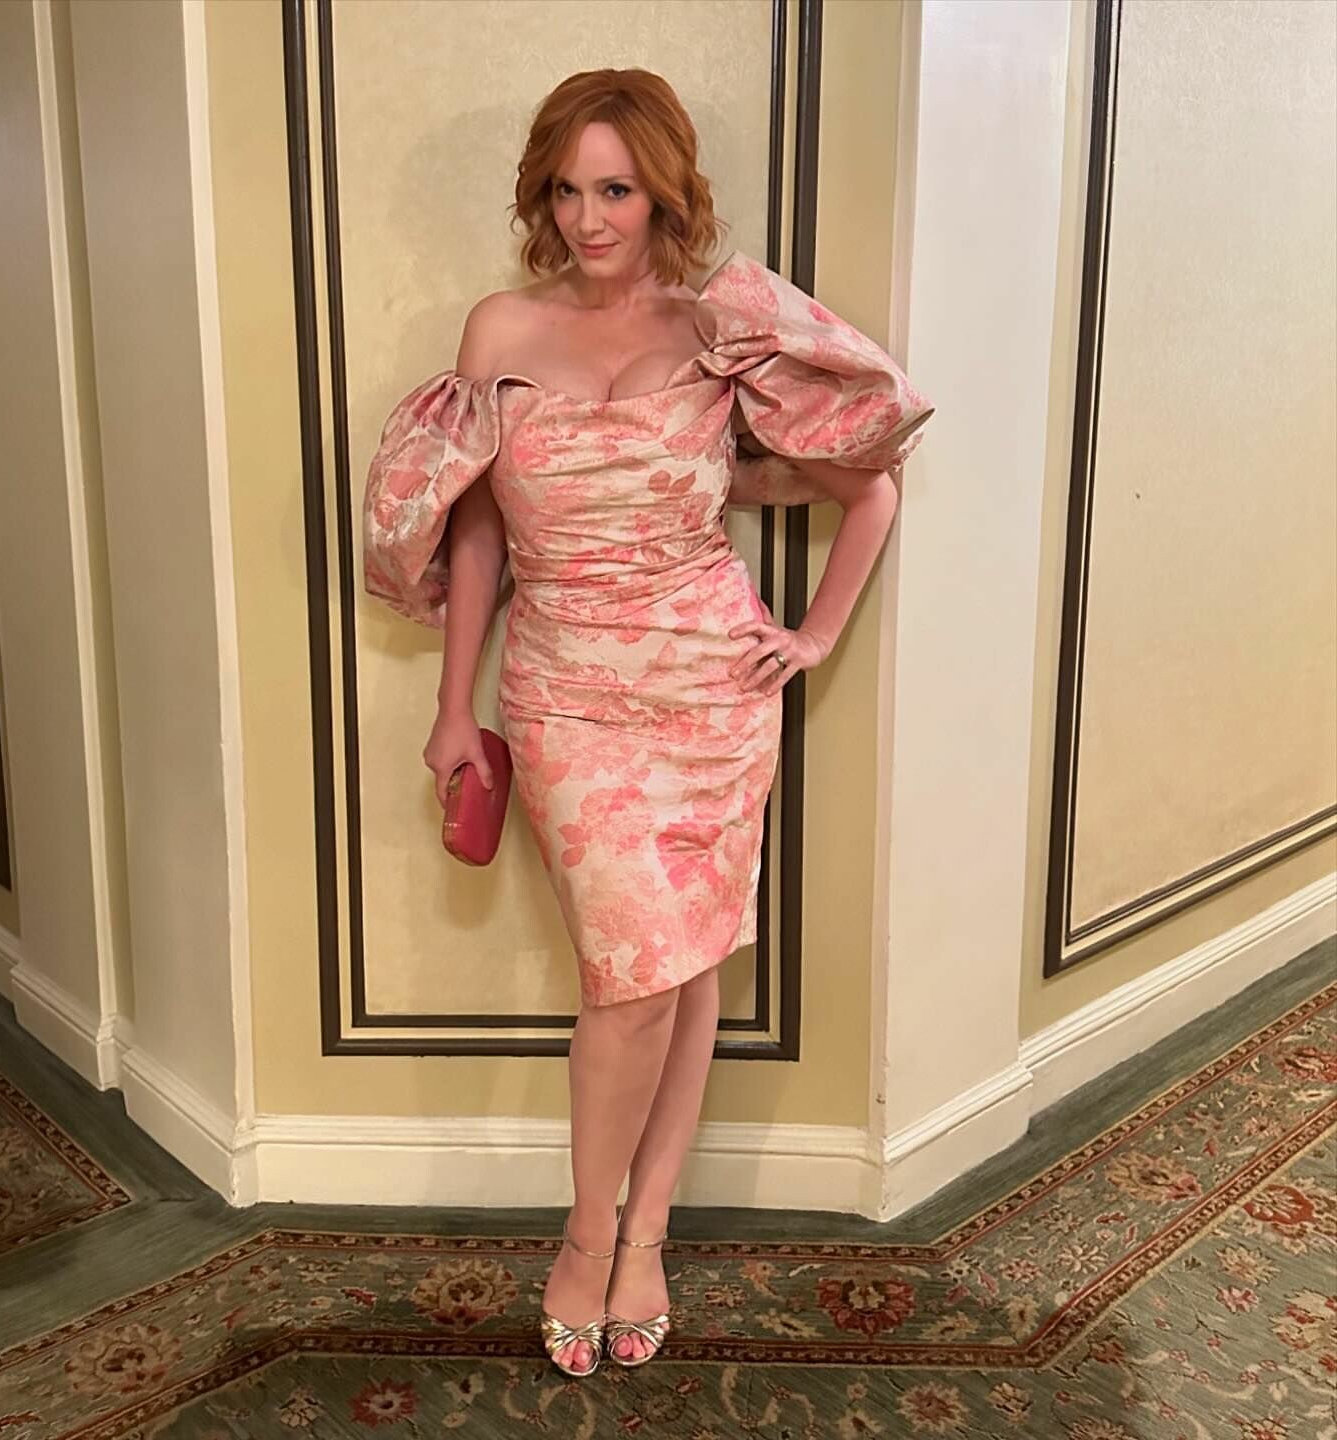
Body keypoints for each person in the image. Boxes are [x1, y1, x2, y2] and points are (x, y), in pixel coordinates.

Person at [362, 68, 935, 1377]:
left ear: (665, 193)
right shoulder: (501, 329)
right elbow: (481, 530)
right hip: (563, 689)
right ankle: (585, 1239)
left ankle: (645, 1236)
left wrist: (813, 634)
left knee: (686, 970)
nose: (588, 219)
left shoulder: (716, 331)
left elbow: (870, 486)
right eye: (567, 190)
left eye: (615, 190)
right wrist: (454, 708)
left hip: (713, 694)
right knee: (629, 983)